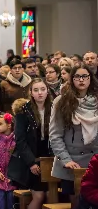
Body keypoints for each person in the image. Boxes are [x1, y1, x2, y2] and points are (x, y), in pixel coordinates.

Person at [50, 64, 98, 209]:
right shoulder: (61, 101)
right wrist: (66, 159)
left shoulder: (97, 100)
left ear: (90, 79)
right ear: (72, 79)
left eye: (85, 76)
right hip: (72, 162)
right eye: (77, 76)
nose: (81, 80)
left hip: (94, 162)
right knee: (76, 204)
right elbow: (55, 135)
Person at [8, 78, 52, 209]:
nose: (40, 93)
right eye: (36, 90)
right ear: (31, 93)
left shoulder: (54, 109)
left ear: (47, 91)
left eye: (43, 89)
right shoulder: (23, 111)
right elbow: (20, 140)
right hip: (31, 159)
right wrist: (31, 162)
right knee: (39, 196)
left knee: (52, 195)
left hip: (49, 157)